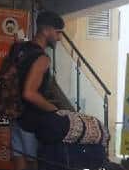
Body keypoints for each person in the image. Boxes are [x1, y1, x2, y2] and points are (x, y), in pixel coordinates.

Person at [17, 10, 108, 150]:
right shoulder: (42, 58)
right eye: (58, 32)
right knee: (33, 164)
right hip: (31, 120)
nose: (59, 38)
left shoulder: (19, 49)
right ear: (46, 30)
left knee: (19, 163)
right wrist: (54, 110)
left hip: (15, 115)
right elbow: (29, 93)